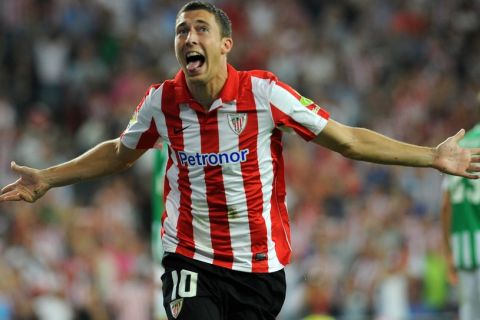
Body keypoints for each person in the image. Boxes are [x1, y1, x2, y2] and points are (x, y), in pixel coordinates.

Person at [1, 2, 480, 319]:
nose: (188, 37)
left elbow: (347, 140)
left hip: (259, 271)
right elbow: (119, 153)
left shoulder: (264, 93)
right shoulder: (161, 102)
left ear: (225, 44)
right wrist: (48, 177)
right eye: (180, 30)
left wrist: (432, 156)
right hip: (190, 259)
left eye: (200, 29)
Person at [441, 123, 480, 320]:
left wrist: (449, 254)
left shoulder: (460, 145)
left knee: (469, 314)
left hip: (462, 248)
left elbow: (446, 206)